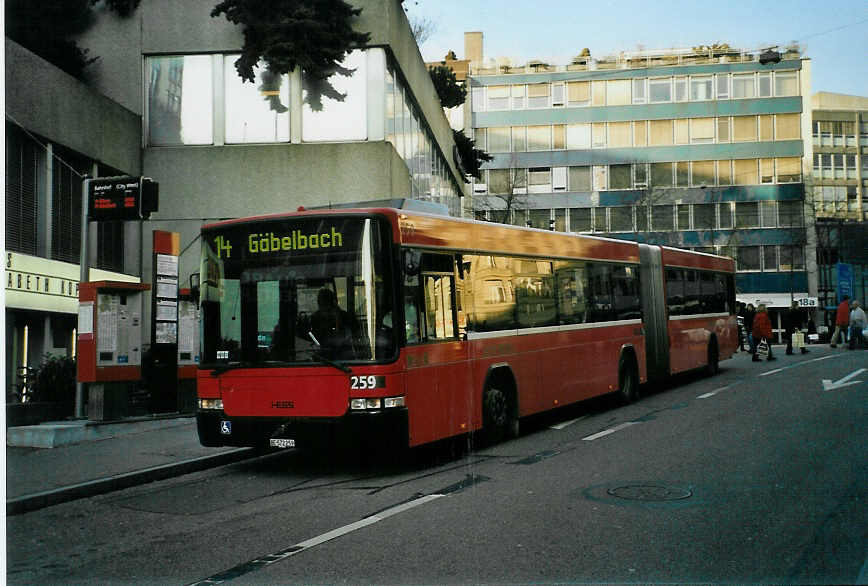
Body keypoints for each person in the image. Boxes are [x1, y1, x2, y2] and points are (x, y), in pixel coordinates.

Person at [310, 287, 360, 360]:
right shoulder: (315, 318)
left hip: (345, 356)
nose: (325, 311)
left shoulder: (345, 316)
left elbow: (356, 335)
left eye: (326, 304)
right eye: (322, 304)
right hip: (322, 356)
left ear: (333, 302)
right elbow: (312, 338)